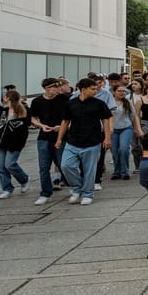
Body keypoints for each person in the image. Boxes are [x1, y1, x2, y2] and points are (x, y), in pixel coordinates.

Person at [56, 77, 112, 205]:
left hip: (92, 141)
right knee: (66, 165)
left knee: (89, 170)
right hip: (73, 141)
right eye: (92, 89)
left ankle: (87, 193)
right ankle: (77, 188)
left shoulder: (99, 104)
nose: (95, 91)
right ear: (83, 89)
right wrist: (59, 139)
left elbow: (106, 120)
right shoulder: (71, 103)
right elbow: (65, 121)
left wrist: (107, 138)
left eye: (96, 89)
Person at [28, 77, 67, 205]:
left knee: (64, 165)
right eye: (55, 87)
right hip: (44, 137)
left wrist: (60, 127)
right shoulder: (37, 101)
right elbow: (32, 118)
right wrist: (41, 125)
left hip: (61, 136)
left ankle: (75, 188)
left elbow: (70, 118)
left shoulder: (64, 99)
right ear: (47, 88)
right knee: (43, 167)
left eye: (58, 86)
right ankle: (45, 193)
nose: (58, 89)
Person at [0, 90, 31, 198]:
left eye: (5, 96)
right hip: (1, 142)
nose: (3, 98)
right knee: (1, 167)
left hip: (14, 143)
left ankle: (24, 179)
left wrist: (19, 142)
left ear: (8, 98)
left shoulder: (22, 109)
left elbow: (24, 128)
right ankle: (7, 188)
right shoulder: (4, 110)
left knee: (10, 164)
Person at [109, 83, 141, 180]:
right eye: (119, 91)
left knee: (123, 149)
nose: (122, 93)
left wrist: (137, 129)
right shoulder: (109, 102)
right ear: (114, 92)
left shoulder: (128, 102)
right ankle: (116, 171)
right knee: (114, 151)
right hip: (113, 130)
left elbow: (134, 116)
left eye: (123, 91)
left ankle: (125, 171)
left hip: (126, 128)